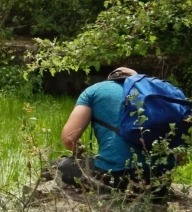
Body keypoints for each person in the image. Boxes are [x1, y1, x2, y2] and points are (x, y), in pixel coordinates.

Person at [59, 67, 173, 195]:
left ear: (110, 78)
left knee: (62, 165)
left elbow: (69, 139)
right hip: (160, 183)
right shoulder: (157, 92)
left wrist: (79, 151)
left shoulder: (94, 90)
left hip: (117, 179)